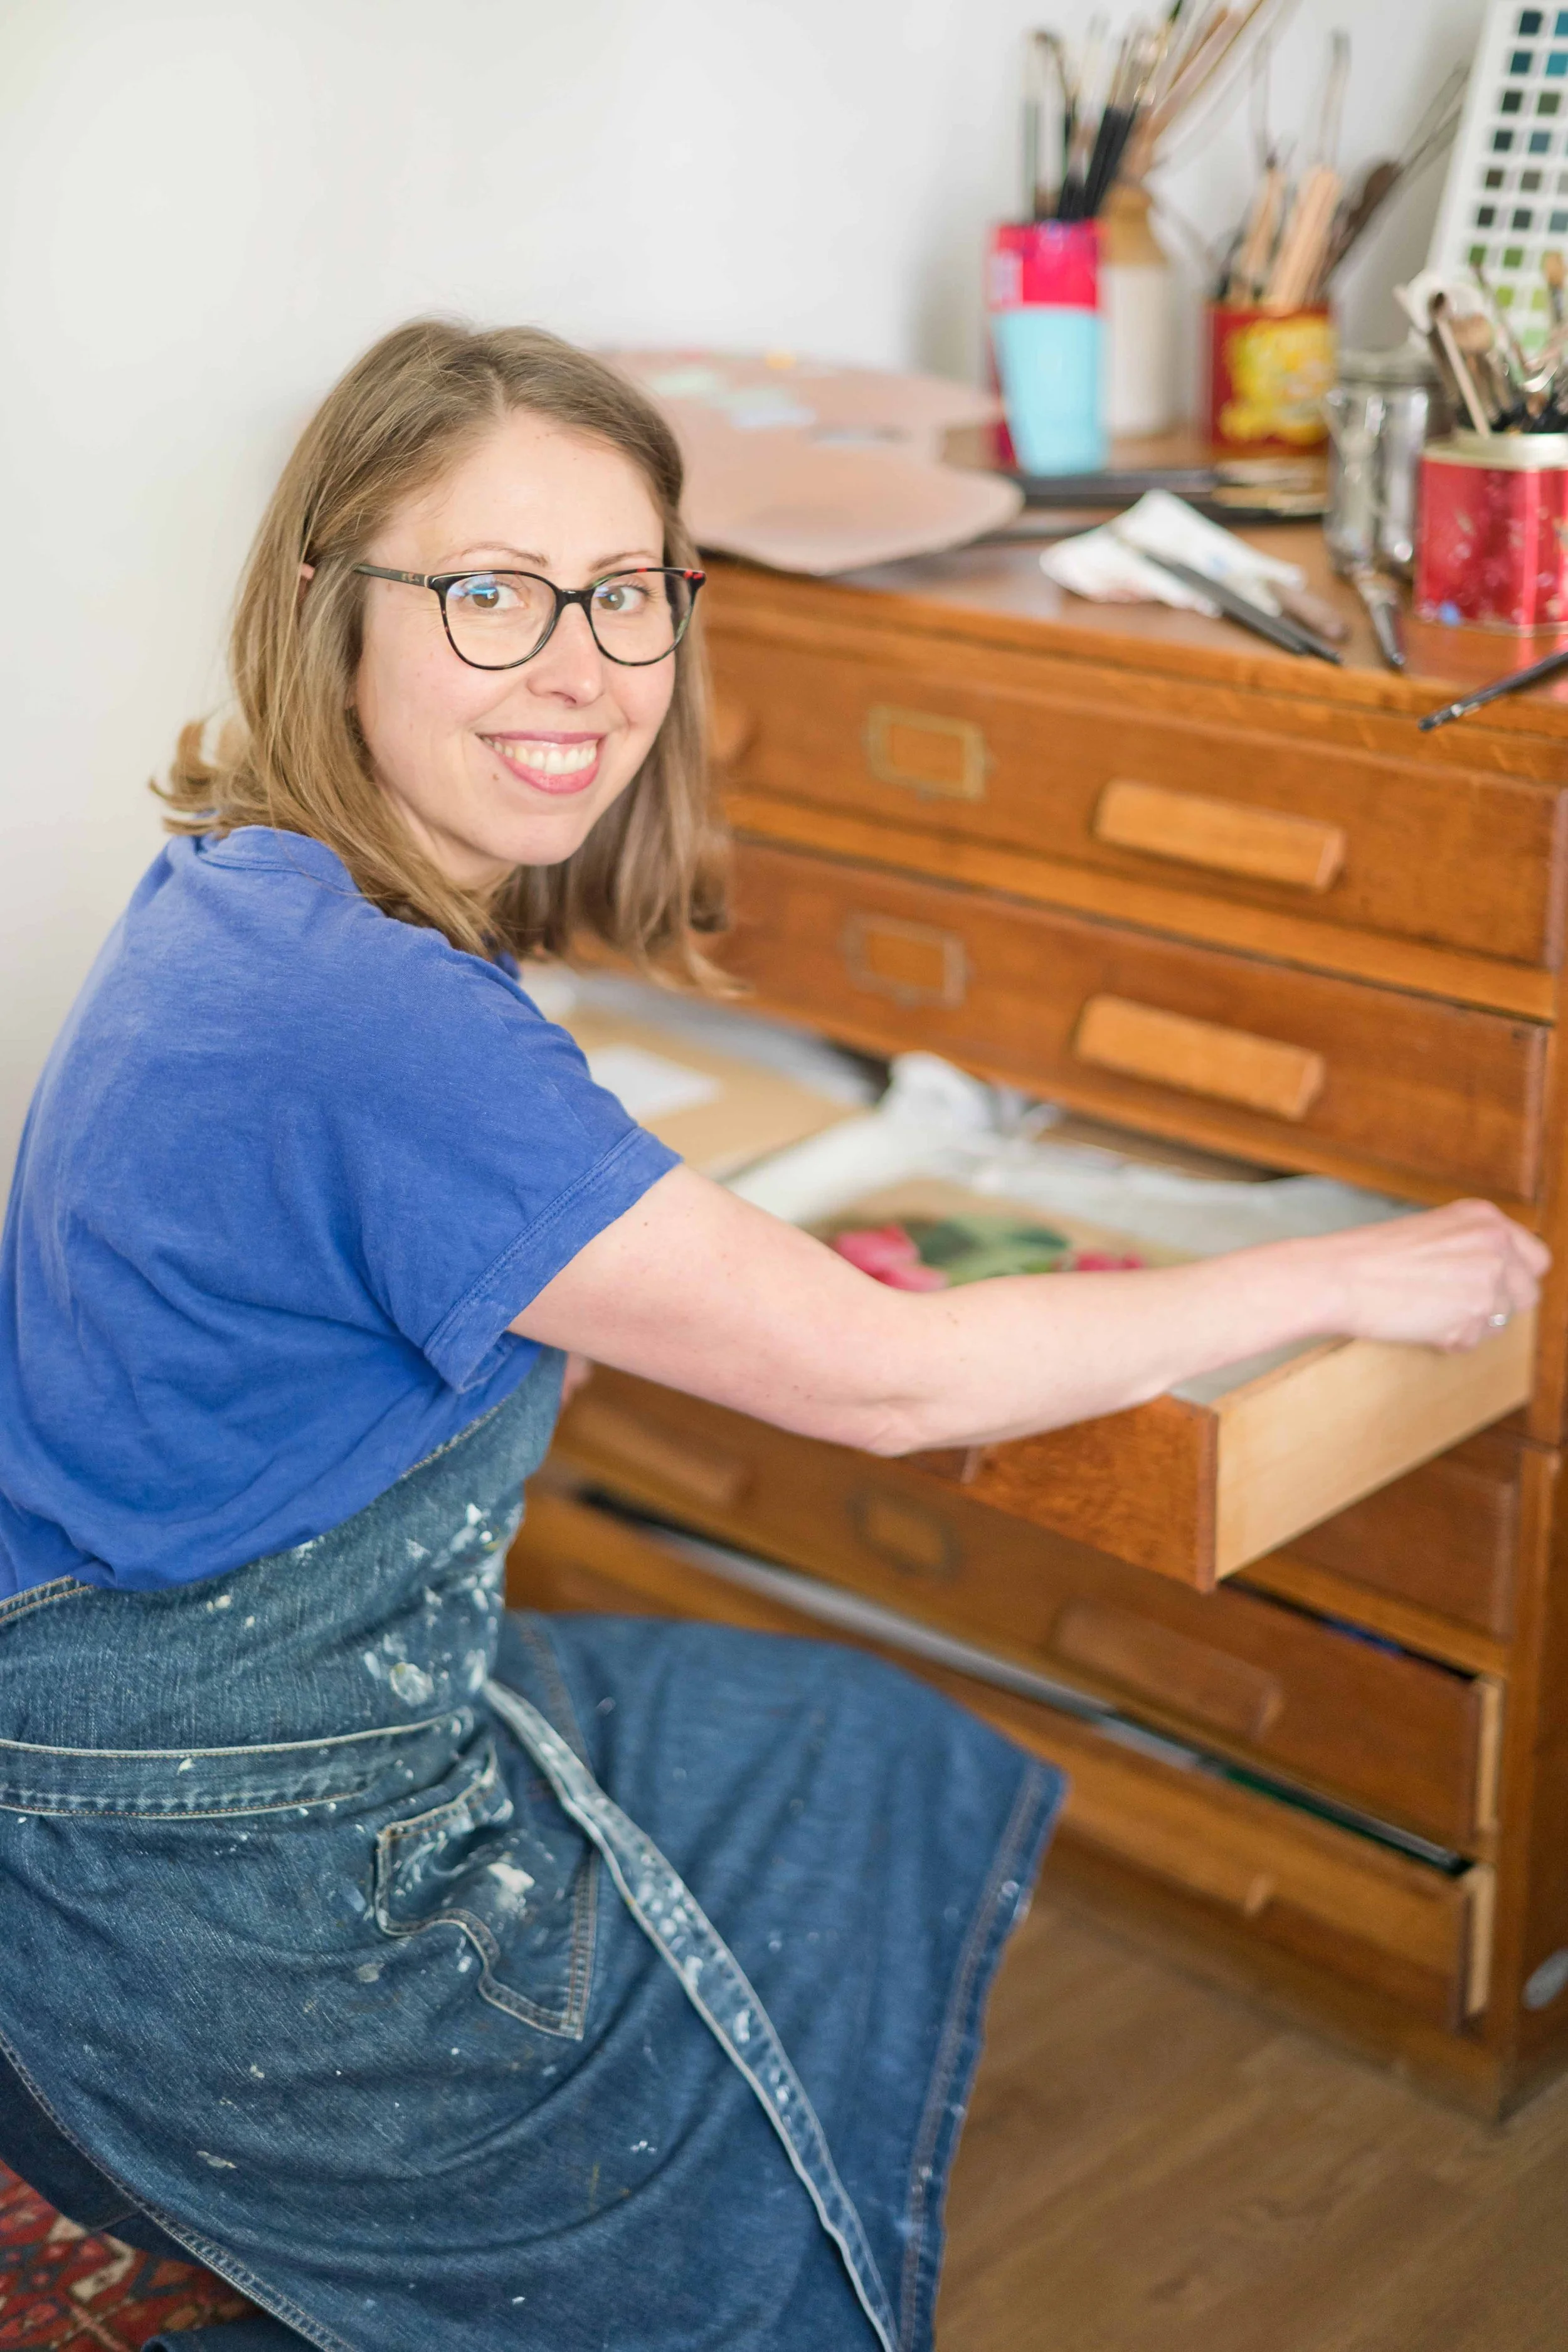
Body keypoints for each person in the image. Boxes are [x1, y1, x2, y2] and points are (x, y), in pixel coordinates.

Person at [0, 321, 1544, 2352]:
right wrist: (1336, 1272)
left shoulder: (247, 897)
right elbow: (881, 1376)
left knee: (854, 1741)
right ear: (328, 613)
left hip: (130, 1748)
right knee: (700, 2210)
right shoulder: (381, 1032)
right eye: (488, 595)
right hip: (219, 1880)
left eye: (625, 595)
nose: (579, 669)